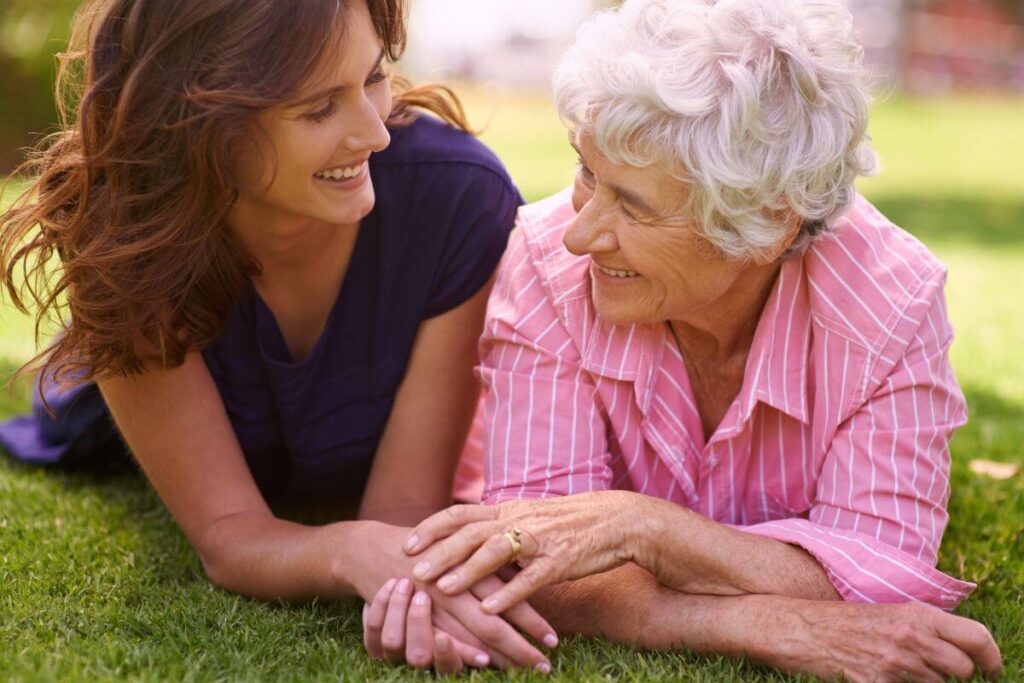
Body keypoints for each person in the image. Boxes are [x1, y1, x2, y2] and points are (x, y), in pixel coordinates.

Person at [366, 0, 1004, 680]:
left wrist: (645, 530)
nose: (581, 234)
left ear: (767, 224)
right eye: (587, 172)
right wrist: (758, 619)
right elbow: (537, 556)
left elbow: (882, 578)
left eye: (634, 206)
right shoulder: (550, 261)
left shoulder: (890, 303)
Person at [0, 0, 557, 674]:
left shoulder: (460, 203)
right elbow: (230, 535)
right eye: (320, 107)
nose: (373, 133)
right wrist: (350, 552)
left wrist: (407, 577)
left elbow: (401, 517)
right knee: (69, 390)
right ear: (202, 125)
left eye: (374, 77)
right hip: (100, 415)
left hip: (333, 454)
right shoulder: (124, 237)